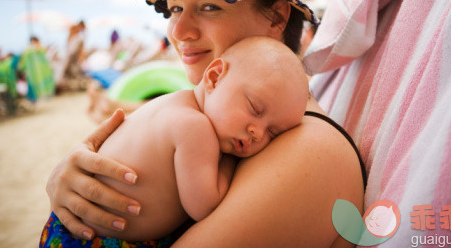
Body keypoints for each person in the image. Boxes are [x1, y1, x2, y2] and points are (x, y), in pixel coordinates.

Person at [45, 0, 366, 247]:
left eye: (210, 6)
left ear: (277, 15)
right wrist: (70, 177)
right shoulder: (238, 121)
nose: (179, 32)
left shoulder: (311, 155)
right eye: (173, 9)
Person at [41, 37, 309, 246]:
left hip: (69, 227)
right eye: (255, 109)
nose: (257, 133)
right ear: (215, 77)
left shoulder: (174, 102)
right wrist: (228, 163)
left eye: (273, 132)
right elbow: (205, 207)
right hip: (98, 240)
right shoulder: (195, 127)